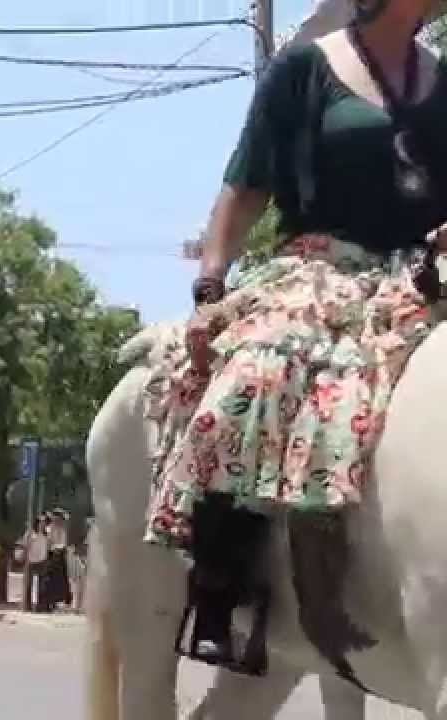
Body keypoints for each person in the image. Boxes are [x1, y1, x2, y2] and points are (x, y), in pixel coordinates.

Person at [143, 0, 447, 676]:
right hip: (320, 266)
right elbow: (245, 186)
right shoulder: (307, 67)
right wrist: (209, 286)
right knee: (258, 375)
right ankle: (221, 582)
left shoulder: (442, 79)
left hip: (421, 272)